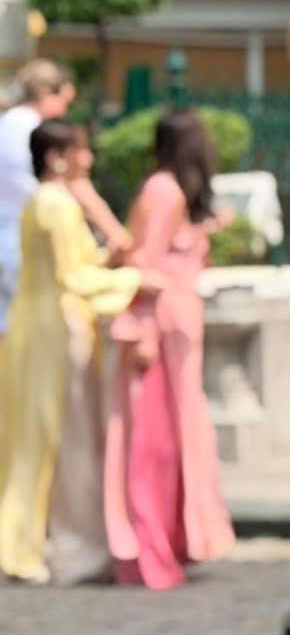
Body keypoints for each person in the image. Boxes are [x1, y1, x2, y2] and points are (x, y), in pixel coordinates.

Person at [0, 120, 146, 583]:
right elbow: (73, 278)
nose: (89, 159)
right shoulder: (58, 204)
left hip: (35, 325)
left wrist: (109, 262)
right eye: (81, 150)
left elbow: (72, 266)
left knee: (35, 437)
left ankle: (32, 543)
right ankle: (72, 548)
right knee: (67, 441)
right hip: (58, 330)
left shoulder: (40, 201)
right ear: (57, 157)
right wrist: (135, 280)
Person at [102, 110, 234, 589]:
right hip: (160, 327)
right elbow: (145, 264)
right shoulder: (164, 191)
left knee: (174, 437)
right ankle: (149, 547)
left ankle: (172, 540)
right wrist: (145, 333)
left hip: (176, 326)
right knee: (152, 443)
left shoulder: (170, 192)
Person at [0, 59, 78, 335]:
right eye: (63, 101)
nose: (65, 111)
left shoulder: (8, 122)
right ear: (45, 93)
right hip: (23, 241)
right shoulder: (34, 130)